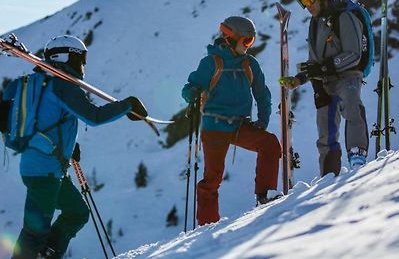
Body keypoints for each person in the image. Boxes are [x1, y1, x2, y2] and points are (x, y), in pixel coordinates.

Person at [2, 35, 148, 259]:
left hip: (46, 167)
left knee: (76, 212)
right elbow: (94, 116)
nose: (83, 65)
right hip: (44, 172)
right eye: (80, 59)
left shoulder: (43, 82)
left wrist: (69, 146)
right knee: (35, 232)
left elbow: (47, 120)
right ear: (67, 57)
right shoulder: (62, 86)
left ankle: (47, 255)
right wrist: (127, 105)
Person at [182, 16, 281, 225]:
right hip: (215, 127)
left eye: (251, 42)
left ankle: (264, 196)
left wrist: (262, 122)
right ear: (230, 38)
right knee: (213, 178)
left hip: (240, 124)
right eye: (246, 41)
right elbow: (188, 87)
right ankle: (207, 226)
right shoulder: (211, 63)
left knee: (270, 144)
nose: (248, 46)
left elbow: (263, 95)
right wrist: (192, 93)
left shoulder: (250, 64)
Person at [280, 0, 369, 177]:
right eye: (302, 2)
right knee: (325, 130)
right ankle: (329, 174)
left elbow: (354, 54)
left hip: (347, 76)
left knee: (352, 108)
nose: (307, 6)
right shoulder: (315, 24)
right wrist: (300, 79)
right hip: (324, 83)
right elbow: (315, 62)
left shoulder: (343, 17)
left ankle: (357, 156)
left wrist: (324, 68)